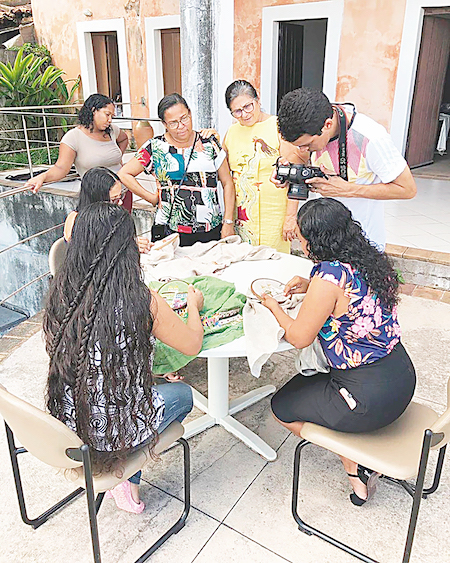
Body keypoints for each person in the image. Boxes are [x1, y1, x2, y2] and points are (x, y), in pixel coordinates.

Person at [43, 202, 204, 513]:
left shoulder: (60, 290)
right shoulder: (141, 300)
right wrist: (194, 304)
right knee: (183, 395)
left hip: (66, 425)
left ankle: (123, 471)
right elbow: (192, 345)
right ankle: (127, 474)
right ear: (127, 247)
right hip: (110, 436)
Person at [262, 198, 416, 505]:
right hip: (401, 379)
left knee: (281, 407)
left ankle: (353, 463)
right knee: (305, 387)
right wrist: (310, 285)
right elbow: (350, 294)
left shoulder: (329, 277)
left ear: (316, 242)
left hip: (365, 400)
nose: (301, 245)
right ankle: (356, 452)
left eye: (303, 240)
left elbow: (299, 337)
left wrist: (272, 306)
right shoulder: (368, 258)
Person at [275, 88, 417, 250]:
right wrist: (287, 172)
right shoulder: (309, 124)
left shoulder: (371, 137)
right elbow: (298, 158)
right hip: (323, 241)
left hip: (363, 243)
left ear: (327, 125)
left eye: (307, 145)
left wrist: (349, 190)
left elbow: (407, 189)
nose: (302, 150)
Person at [119, 93, 236, 246]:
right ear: (164, 124)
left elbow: (227, 183)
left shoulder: (209, 144)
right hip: (169, 230)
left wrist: (228, 222)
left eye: (184, 118)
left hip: (209, 228)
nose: (181, 126)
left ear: (190, 114)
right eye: (173, 123)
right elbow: (125, 173)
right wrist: (151, 198)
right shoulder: (155, 147)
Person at [223, 80, 299, 253]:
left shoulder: (278, 127)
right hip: (243, 216)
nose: (244, 114)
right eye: (237, 111)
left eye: (248, 106)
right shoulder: (231, 133)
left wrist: (290, 217)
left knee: (272, 267)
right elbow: (224, 173)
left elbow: (294, 174)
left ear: (258, 100)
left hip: (274, 216)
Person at [25, 94, 133, 212]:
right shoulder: (73, 137)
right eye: (107, 115)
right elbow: (61, 168)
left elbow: (124, 139)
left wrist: (118, 158)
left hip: (122, 193)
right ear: (93, 110)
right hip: (97, 198)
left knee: (124, 228)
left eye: (112, 116)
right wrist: (42, 177)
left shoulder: (112, 130)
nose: (110, 120)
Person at [63, 166, 151, 253]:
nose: (120, 202)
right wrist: (127, 246)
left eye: (121, 196)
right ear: (98, 199)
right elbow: (90, 255)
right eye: (114, 199)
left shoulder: (115, 215)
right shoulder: (75, 220)